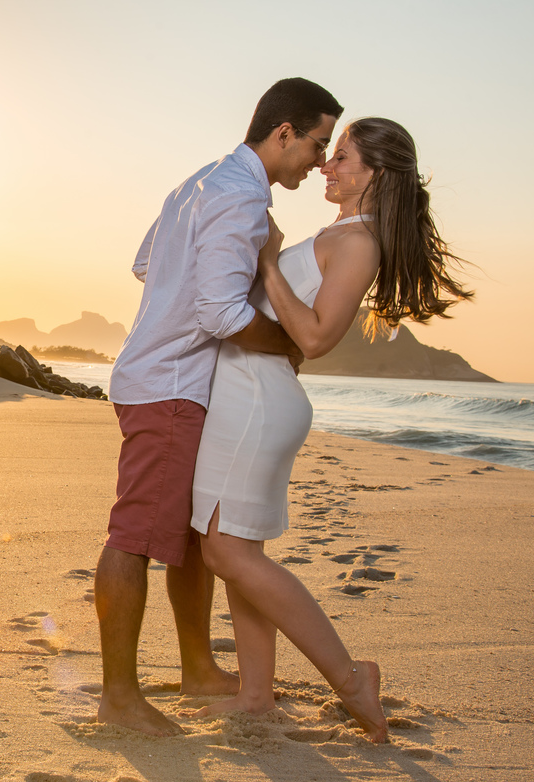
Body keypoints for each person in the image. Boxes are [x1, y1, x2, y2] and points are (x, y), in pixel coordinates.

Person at [185, 117, 472, 743]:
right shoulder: (341, 232)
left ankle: (350, 679)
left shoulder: (359, 242)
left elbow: (315, 338)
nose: (326, 165)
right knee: (238, 552)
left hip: (259, 401)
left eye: (341, 157)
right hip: (251, 392)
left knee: (225, 551)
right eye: (330, 154)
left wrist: (266, 264)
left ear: (376, 174)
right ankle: (255, 693)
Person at [97, 78, 343, 736]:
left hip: (164, 377)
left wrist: (183, 296)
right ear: (283, 131)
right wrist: (288, 346)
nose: (319, 161)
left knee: (187, 540)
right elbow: (223, 312)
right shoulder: (241, 198)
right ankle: (118, 697)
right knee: (137, 535)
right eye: (317, 144)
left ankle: (198, 668)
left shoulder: (201, 181)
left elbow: (147, 263)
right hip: (170, 387)